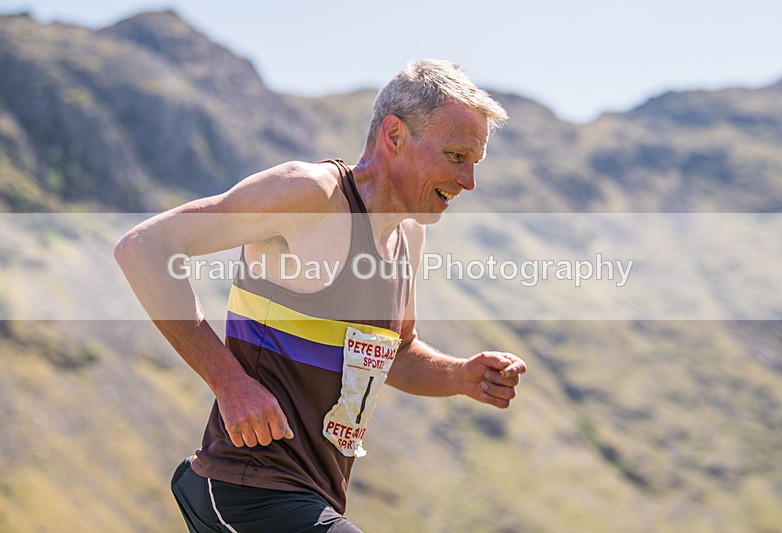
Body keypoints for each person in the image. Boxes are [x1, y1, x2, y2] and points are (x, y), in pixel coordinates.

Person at [115, 59, 527, 532]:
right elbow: (144, 248)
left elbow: (397, 354)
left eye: (475, 165)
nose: (468, 181)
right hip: (246, 487)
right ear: (394, 137)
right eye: (456, 157)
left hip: (311, 498)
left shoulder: (407, 236)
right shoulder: (309, 196)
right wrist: (229, 381)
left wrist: (459, 376)